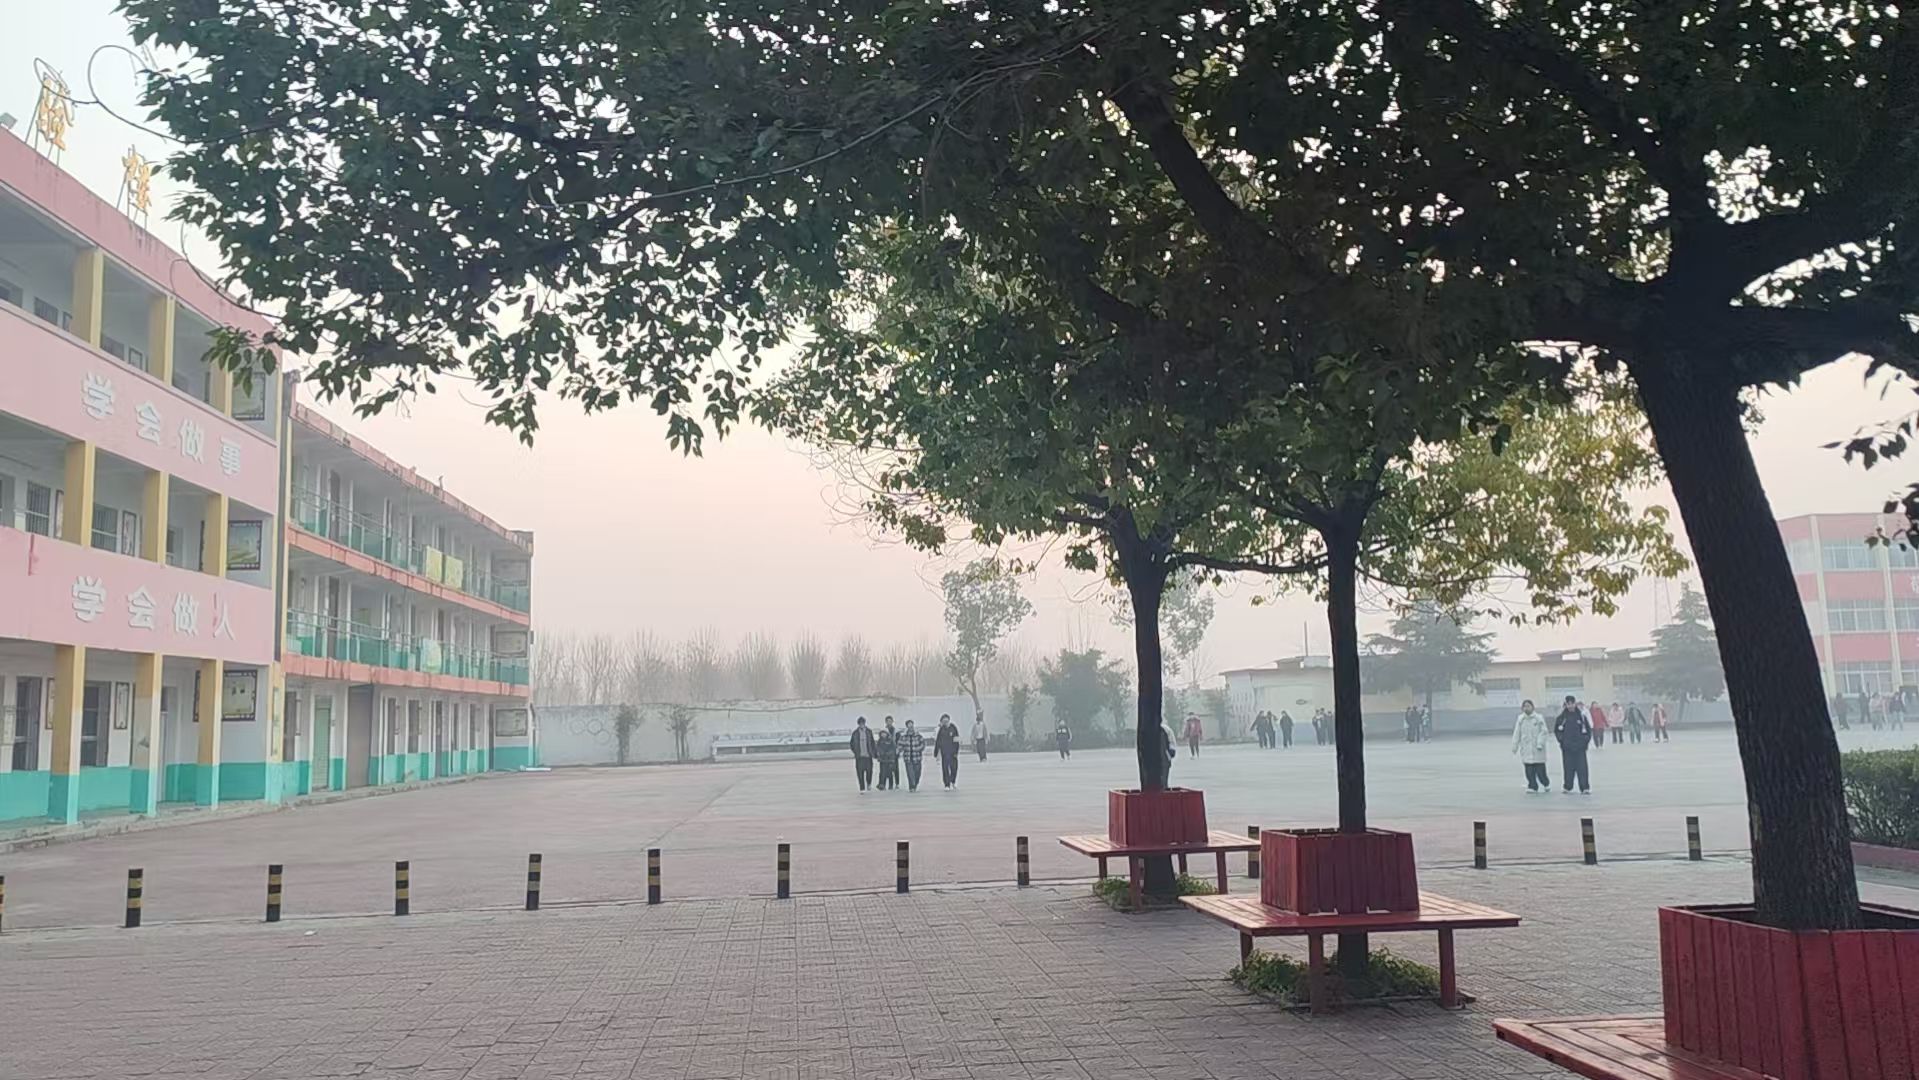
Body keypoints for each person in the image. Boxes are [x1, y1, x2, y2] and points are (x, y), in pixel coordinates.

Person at [1553, 695, 1593, 794]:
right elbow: (1557, 731)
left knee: (1582, 768)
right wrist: (1562, 741)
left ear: (1575, 704)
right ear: (1565, 705)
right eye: (1568, 704)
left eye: (1572, 704)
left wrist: (1585, 742)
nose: (1570, 706)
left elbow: (1588, 731)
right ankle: (1567, 786)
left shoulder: (1581, 717)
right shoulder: (1561, 718)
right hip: (1567, 748)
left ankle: (1584, 787)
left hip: (1580, 748)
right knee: (1568, 768)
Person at [1511, 699, 1552, 792]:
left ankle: (1545, 783)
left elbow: (1544, 732)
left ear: (1532, 707)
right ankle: (1532, 786)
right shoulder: (1521, 719)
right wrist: (1515, 746)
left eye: (1528, 706)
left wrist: (1540, 743)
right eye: (1524, 706)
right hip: (1526, 749)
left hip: (1538, 750)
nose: (1526, 708)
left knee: (1540, 771)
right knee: (1529, 771)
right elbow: (1517, 733)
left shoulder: (1538, 718)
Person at [848, 716, 877, 792]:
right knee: (860, 773)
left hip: (868, 756)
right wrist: (855, 751)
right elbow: (851, 744)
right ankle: (862, 788)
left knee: (869, 771)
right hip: (859, 757)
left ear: (864, 723)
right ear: (858, 724)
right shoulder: (855, 733)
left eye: (863, 723)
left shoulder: (869, 731)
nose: (861, 725)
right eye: (860, 723)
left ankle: (869, 783)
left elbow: (872, 743)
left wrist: (873, 752)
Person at [898, 719, 927, 791]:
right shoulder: (903, 736)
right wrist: (901, 748)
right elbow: (899, 745)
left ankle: (915, 784)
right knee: (910, 773)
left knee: (917, 773)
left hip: (917, 757)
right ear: (907, 726)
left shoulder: (918, 736)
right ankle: (912, 786)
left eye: (911, 725)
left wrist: (918, 748)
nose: (910, 727)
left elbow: (923, 744)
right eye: (909, 725)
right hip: (908, 757)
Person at [934, 714, 961, 788]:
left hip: (953, 752)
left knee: (954, 768)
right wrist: (936, 752)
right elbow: (938, 741)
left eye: (946, 721)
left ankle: (953, 781)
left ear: (949, 720)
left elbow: (957, 740)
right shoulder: (941, 730)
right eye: (944, 721)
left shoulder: (953, 728)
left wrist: (956, 751)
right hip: (945, 752)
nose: (945, 723)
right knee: (945, 768)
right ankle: (947, 784)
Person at [875, 717, 900, 790]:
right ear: (886, 722)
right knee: (884, 771)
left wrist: (897, 750)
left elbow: (898, 742)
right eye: (888, 721)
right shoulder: (883, 731)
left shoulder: (896, 731)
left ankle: (897, 783)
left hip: (894, 753)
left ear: (892, 721)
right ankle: (882, 784)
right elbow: (878, 746)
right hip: (884, 757)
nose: (889, 722)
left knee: (895, 769)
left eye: (890, 721)